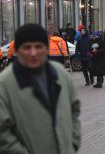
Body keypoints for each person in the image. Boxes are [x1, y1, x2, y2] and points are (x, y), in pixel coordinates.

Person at [0, 23, 81, 153]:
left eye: (38, 46)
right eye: (27, 47)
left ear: (46, 48)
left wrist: (72, 143)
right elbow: (3, 134)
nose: (33, 53)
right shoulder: (4, 85)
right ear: (17, 50)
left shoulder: (60, 75)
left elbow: (74, 110)